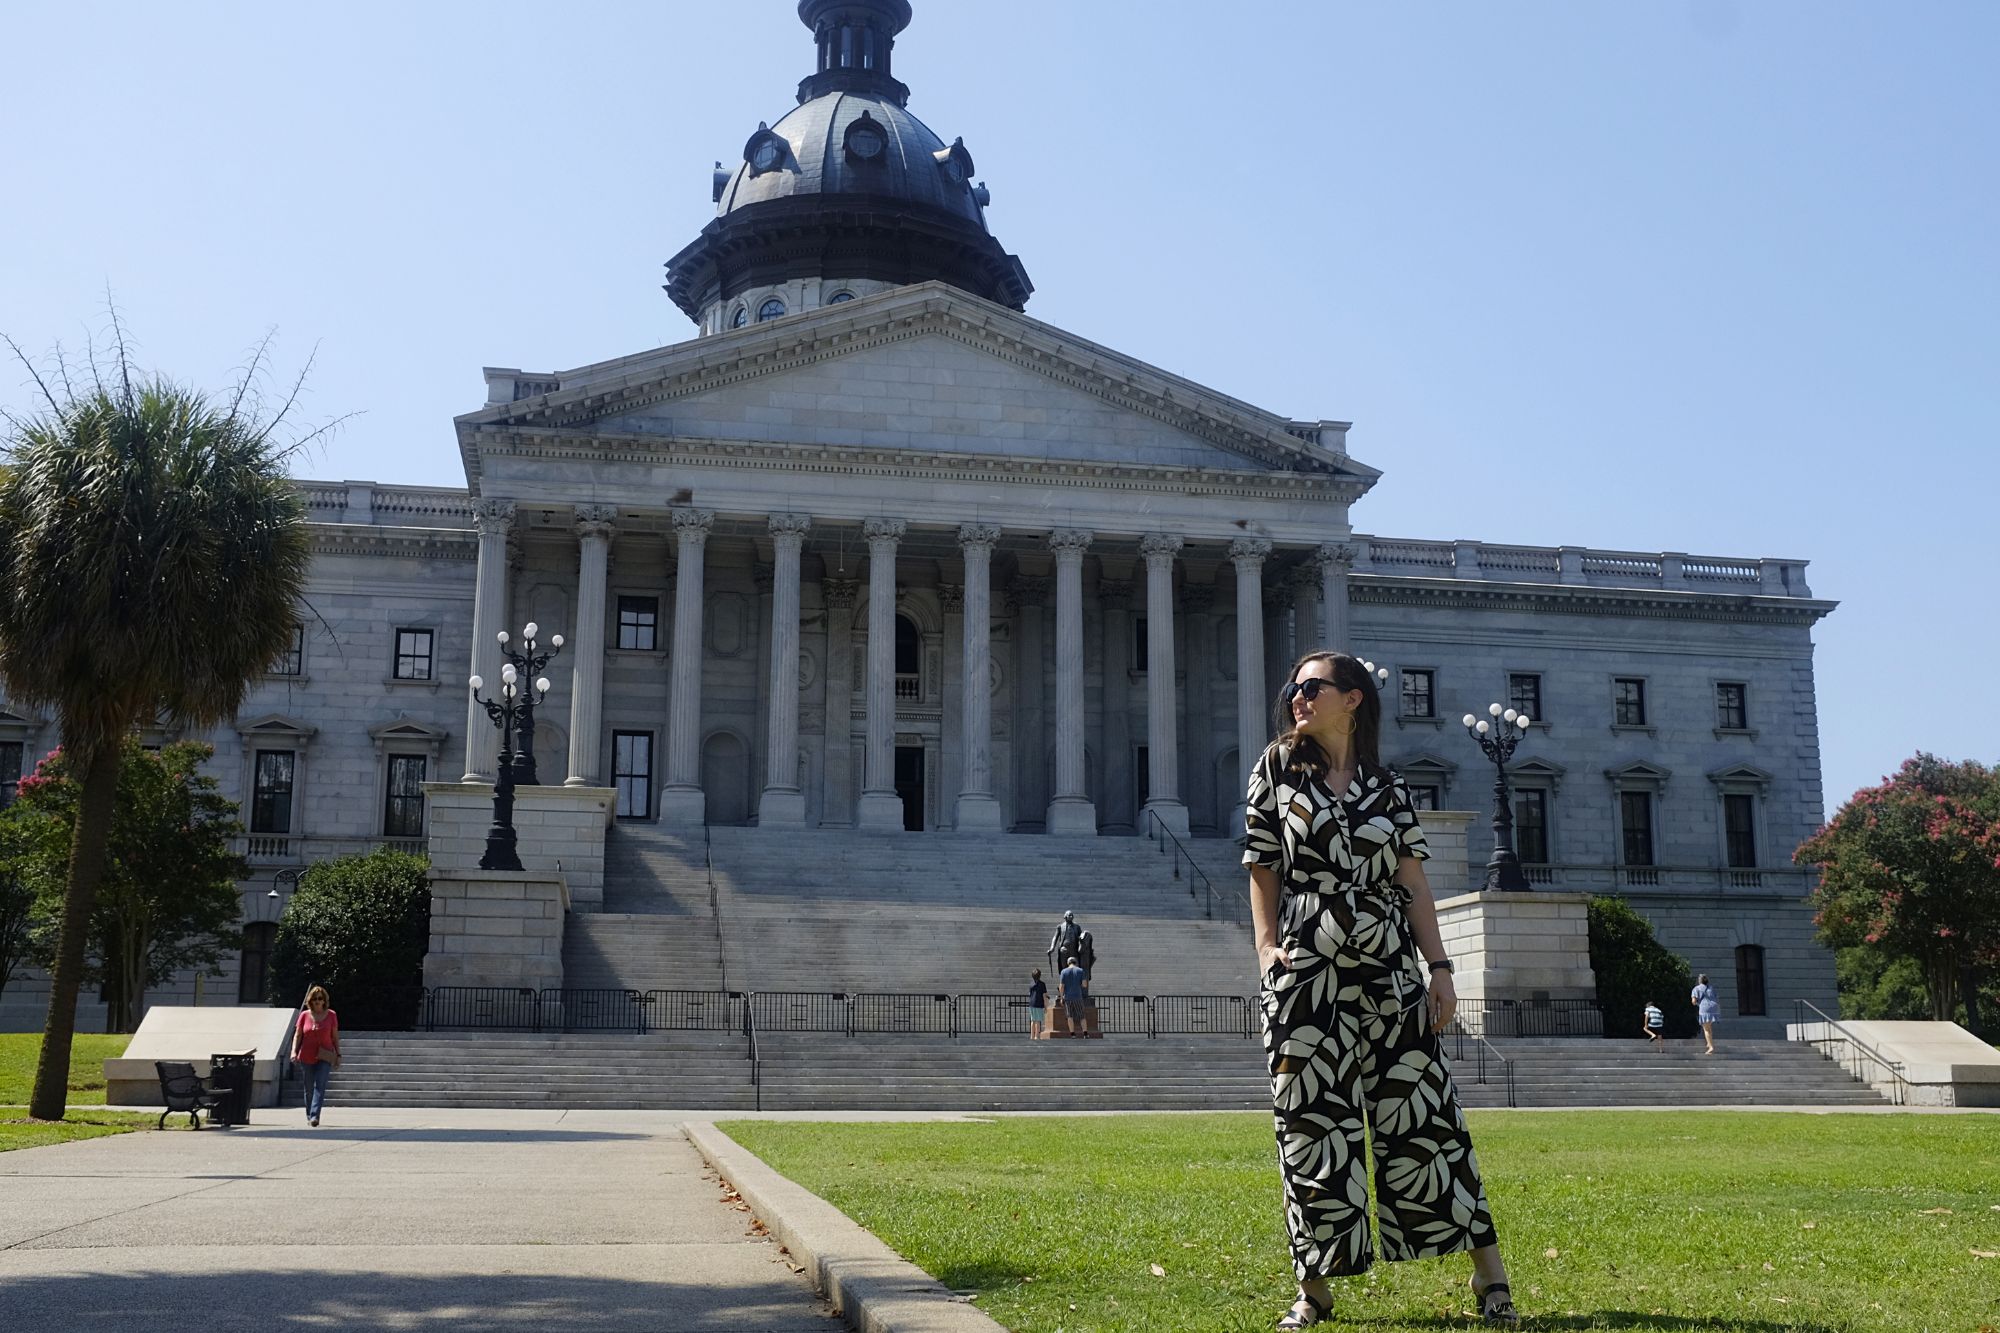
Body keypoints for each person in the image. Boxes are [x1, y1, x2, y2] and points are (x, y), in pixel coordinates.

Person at [1246, 651, 1517, 1328]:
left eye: (1311, 687)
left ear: (1353, 698)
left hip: (1390, 964)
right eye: (1293, 688)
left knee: (1428, 1119)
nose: (1297, 698)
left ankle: (1491, 1279)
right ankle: (1314, 1289)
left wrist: (1442, 967)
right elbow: (1261, 862)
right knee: (1311, 1126)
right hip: (1308, 965)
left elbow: (1415, 885)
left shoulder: (1385, 785)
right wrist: (1265, 946)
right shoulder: (1277, 767)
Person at [291, 984, 341, 1127]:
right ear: (310, 1001)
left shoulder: (332, 1015)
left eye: (320, 999)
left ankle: (314, 1116)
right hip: (306, 1055)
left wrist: (338, 1053)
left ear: (325, 1000)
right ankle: (309, 1114)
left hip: (325, 1055)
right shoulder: (304, 1015)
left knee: (320, 1085)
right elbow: (298, 1035)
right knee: (308, 1087)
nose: (317, 1001)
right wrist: (294, 1051)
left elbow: (335, 1037)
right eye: (314, 999)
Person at [1059, 955, 1089, 1039]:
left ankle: (1072, 1034)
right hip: (1078, 996)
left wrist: (1061, 997)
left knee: (1070, 1016)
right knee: (1082, 1016)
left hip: (1068, 997)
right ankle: (1085, 1033)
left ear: (1068, 963)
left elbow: (1061, 986)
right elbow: (1084, 985)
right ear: (1075, 963)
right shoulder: (1080, 970)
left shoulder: (1064, 972)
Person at [1048, 910, 1083, 980]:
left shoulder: (1077, 927)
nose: (1071, 916)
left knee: (1075, 968)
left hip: (1074, 950)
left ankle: (1075, 983)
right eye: (1069, 915)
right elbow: (1055, 937)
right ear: (1065, 917)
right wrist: (1052, 948)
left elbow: (1081, 936)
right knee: (1064, 969)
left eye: (1072, 915)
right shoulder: (1060, 927)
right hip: (1064, 950)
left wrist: (1082, 941)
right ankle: (1063, 983)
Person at [1691, 974, 1720, 1054]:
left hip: (1704, 1008)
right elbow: (1716, 997)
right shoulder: (1711, 988)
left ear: (1699, 981)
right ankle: (1708, 1043)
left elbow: (1693, 1001)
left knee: (1706, 1029)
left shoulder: (1696, 988)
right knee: (1709, 1027)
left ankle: (1711, 1047)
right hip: (1714, 1008)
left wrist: (1697, 1004)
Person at [1028, 969, 1049, 1041]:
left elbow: (1030, 994)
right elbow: (1044, 995)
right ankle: (1037, 1036)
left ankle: (1032, 1036)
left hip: (1031, 1003)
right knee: (1038, 1020)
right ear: (1040, 975)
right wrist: (1046, 1006)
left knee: (1032, 1020)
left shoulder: (1031, 984)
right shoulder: (1042, 984)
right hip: (1039, 1003)